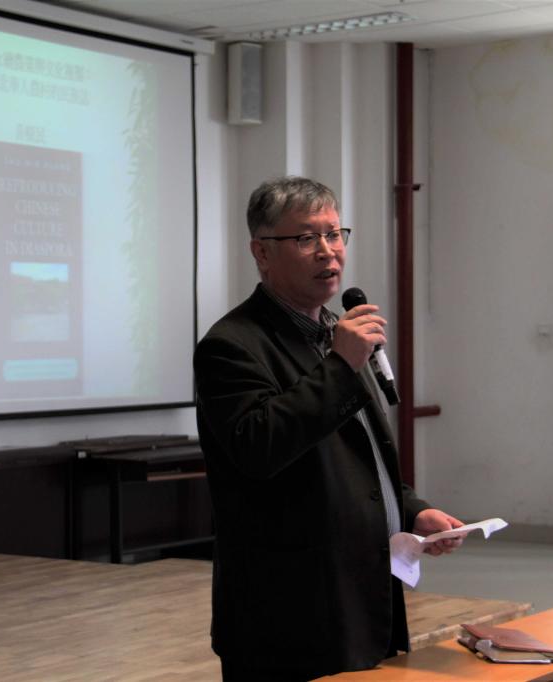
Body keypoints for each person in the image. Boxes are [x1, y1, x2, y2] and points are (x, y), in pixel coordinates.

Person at [194, 176, 465, 681]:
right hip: (289, 614)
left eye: (334, 233)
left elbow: (352, 454)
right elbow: (259, 448)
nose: (328, 251)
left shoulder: (335, 335)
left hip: (363, 598)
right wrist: (340, 366)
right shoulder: (232, 346)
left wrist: (412, 509)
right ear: (261, 252)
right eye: (305, 238)